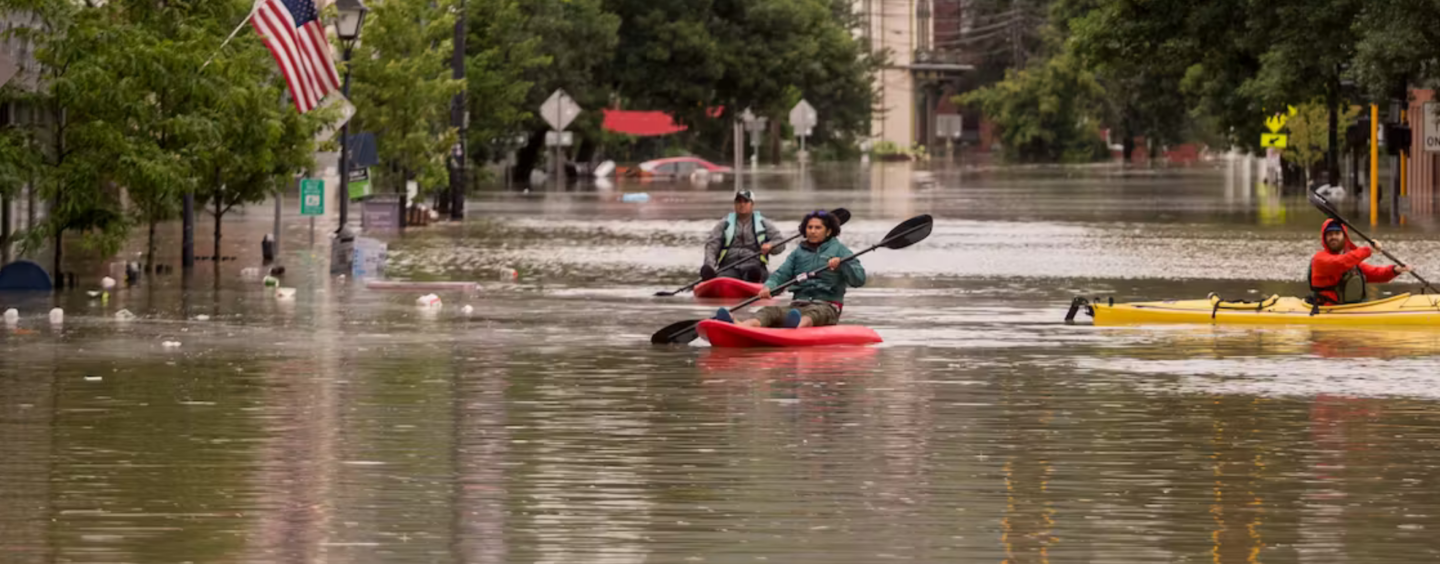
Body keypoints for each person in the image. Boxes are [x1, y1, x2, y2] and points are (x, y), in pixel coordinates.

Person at [712, 209, 865, 328]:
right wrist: (769, 286)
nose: (812, 231)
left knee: (814, 314)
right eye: (809, 227)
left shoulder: (840, 251)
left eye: (817, 228)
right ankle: (741, 326)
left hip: (827, 306)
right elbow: (781, 274)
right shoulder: (798, 253)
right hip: (798, 305)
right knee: (769, 311)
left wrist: (843, 263)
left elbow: (859, 279)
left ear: (829, 231)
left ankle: (795, 327)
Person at [1309, 218, 1411, 305]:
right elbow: (1340, 263)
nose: (1333, 237)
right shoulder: (1320, 259)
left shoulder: (1351, 261)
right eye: (1329, 234)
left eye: (1337, 233)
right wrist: (1368, 250)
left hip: (1347, 309)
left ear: (1344, 237)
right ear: (1324, 238)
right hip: (1327, 309)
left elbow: (1375, 274)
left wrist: (1396, 270)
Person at [701, 190, 785, 283]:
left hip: (754, 267)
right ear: (735, 204)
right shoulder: (724, 224)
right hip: (729, 267)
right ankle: (713, 280)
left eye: (745, 202)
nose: (742, 205)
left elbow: (780, 242)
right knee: (721, 277)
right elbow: (712, 247)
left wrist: (771, 245)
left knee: (755, 273)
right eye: (739, 202)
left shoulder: (763, 223)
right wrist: (710, 266)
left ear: (752, 204)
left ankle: (754, 282)